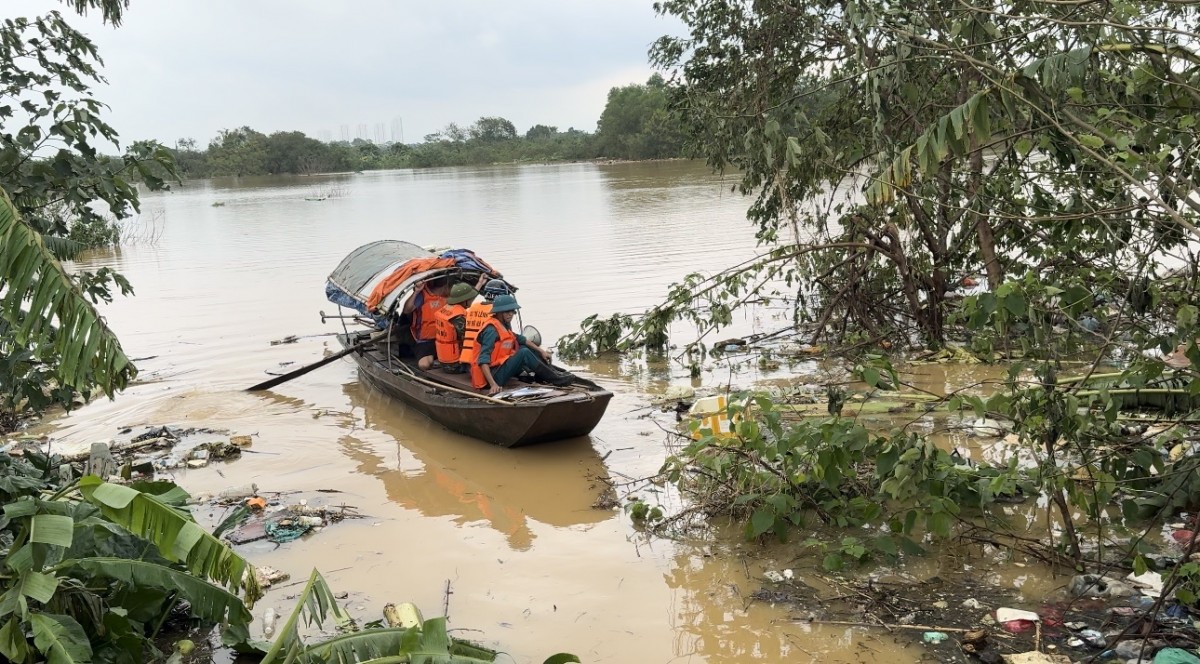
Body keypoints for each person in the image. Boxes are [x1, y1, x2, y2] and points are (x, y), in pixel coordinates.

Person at [462, 294, 574, 394]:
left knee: (526, 347)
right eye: (507, 312)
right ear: (499, 312)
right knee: (524, 353)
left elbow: (522, 339)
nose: (510, 314)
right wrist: (493, 385)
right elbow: (483, 360)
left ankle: (550, 374)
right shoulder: (491, 331)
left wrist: (541, 351)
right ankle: (556, 380)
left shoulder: (503, 325)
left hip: (499, 368)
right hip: (491, 377)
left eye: (513, 312)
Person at [403, 277, 450, 370]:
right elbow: (407, 310)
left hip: (443, 337)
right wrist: (416, 292)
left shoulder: (447, 295)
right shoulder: (422, 295)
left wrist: (480, 283)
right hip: (425, 341)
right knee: (424, 365)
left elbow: (466, 301)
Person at [460, 278, 509, 361]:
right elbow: (508, 336)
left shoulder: (473, 307)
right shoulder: (497, 312)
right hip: (479, 362)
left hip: (465, 358)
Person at [433, 282, 478, 373]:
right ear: (464, 300)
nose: (471, 300)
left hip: (444, 360)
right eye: (470, 298)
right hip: (455, 364)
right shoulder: (457, 317)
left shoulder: (446, 309)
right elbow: (469, 337)